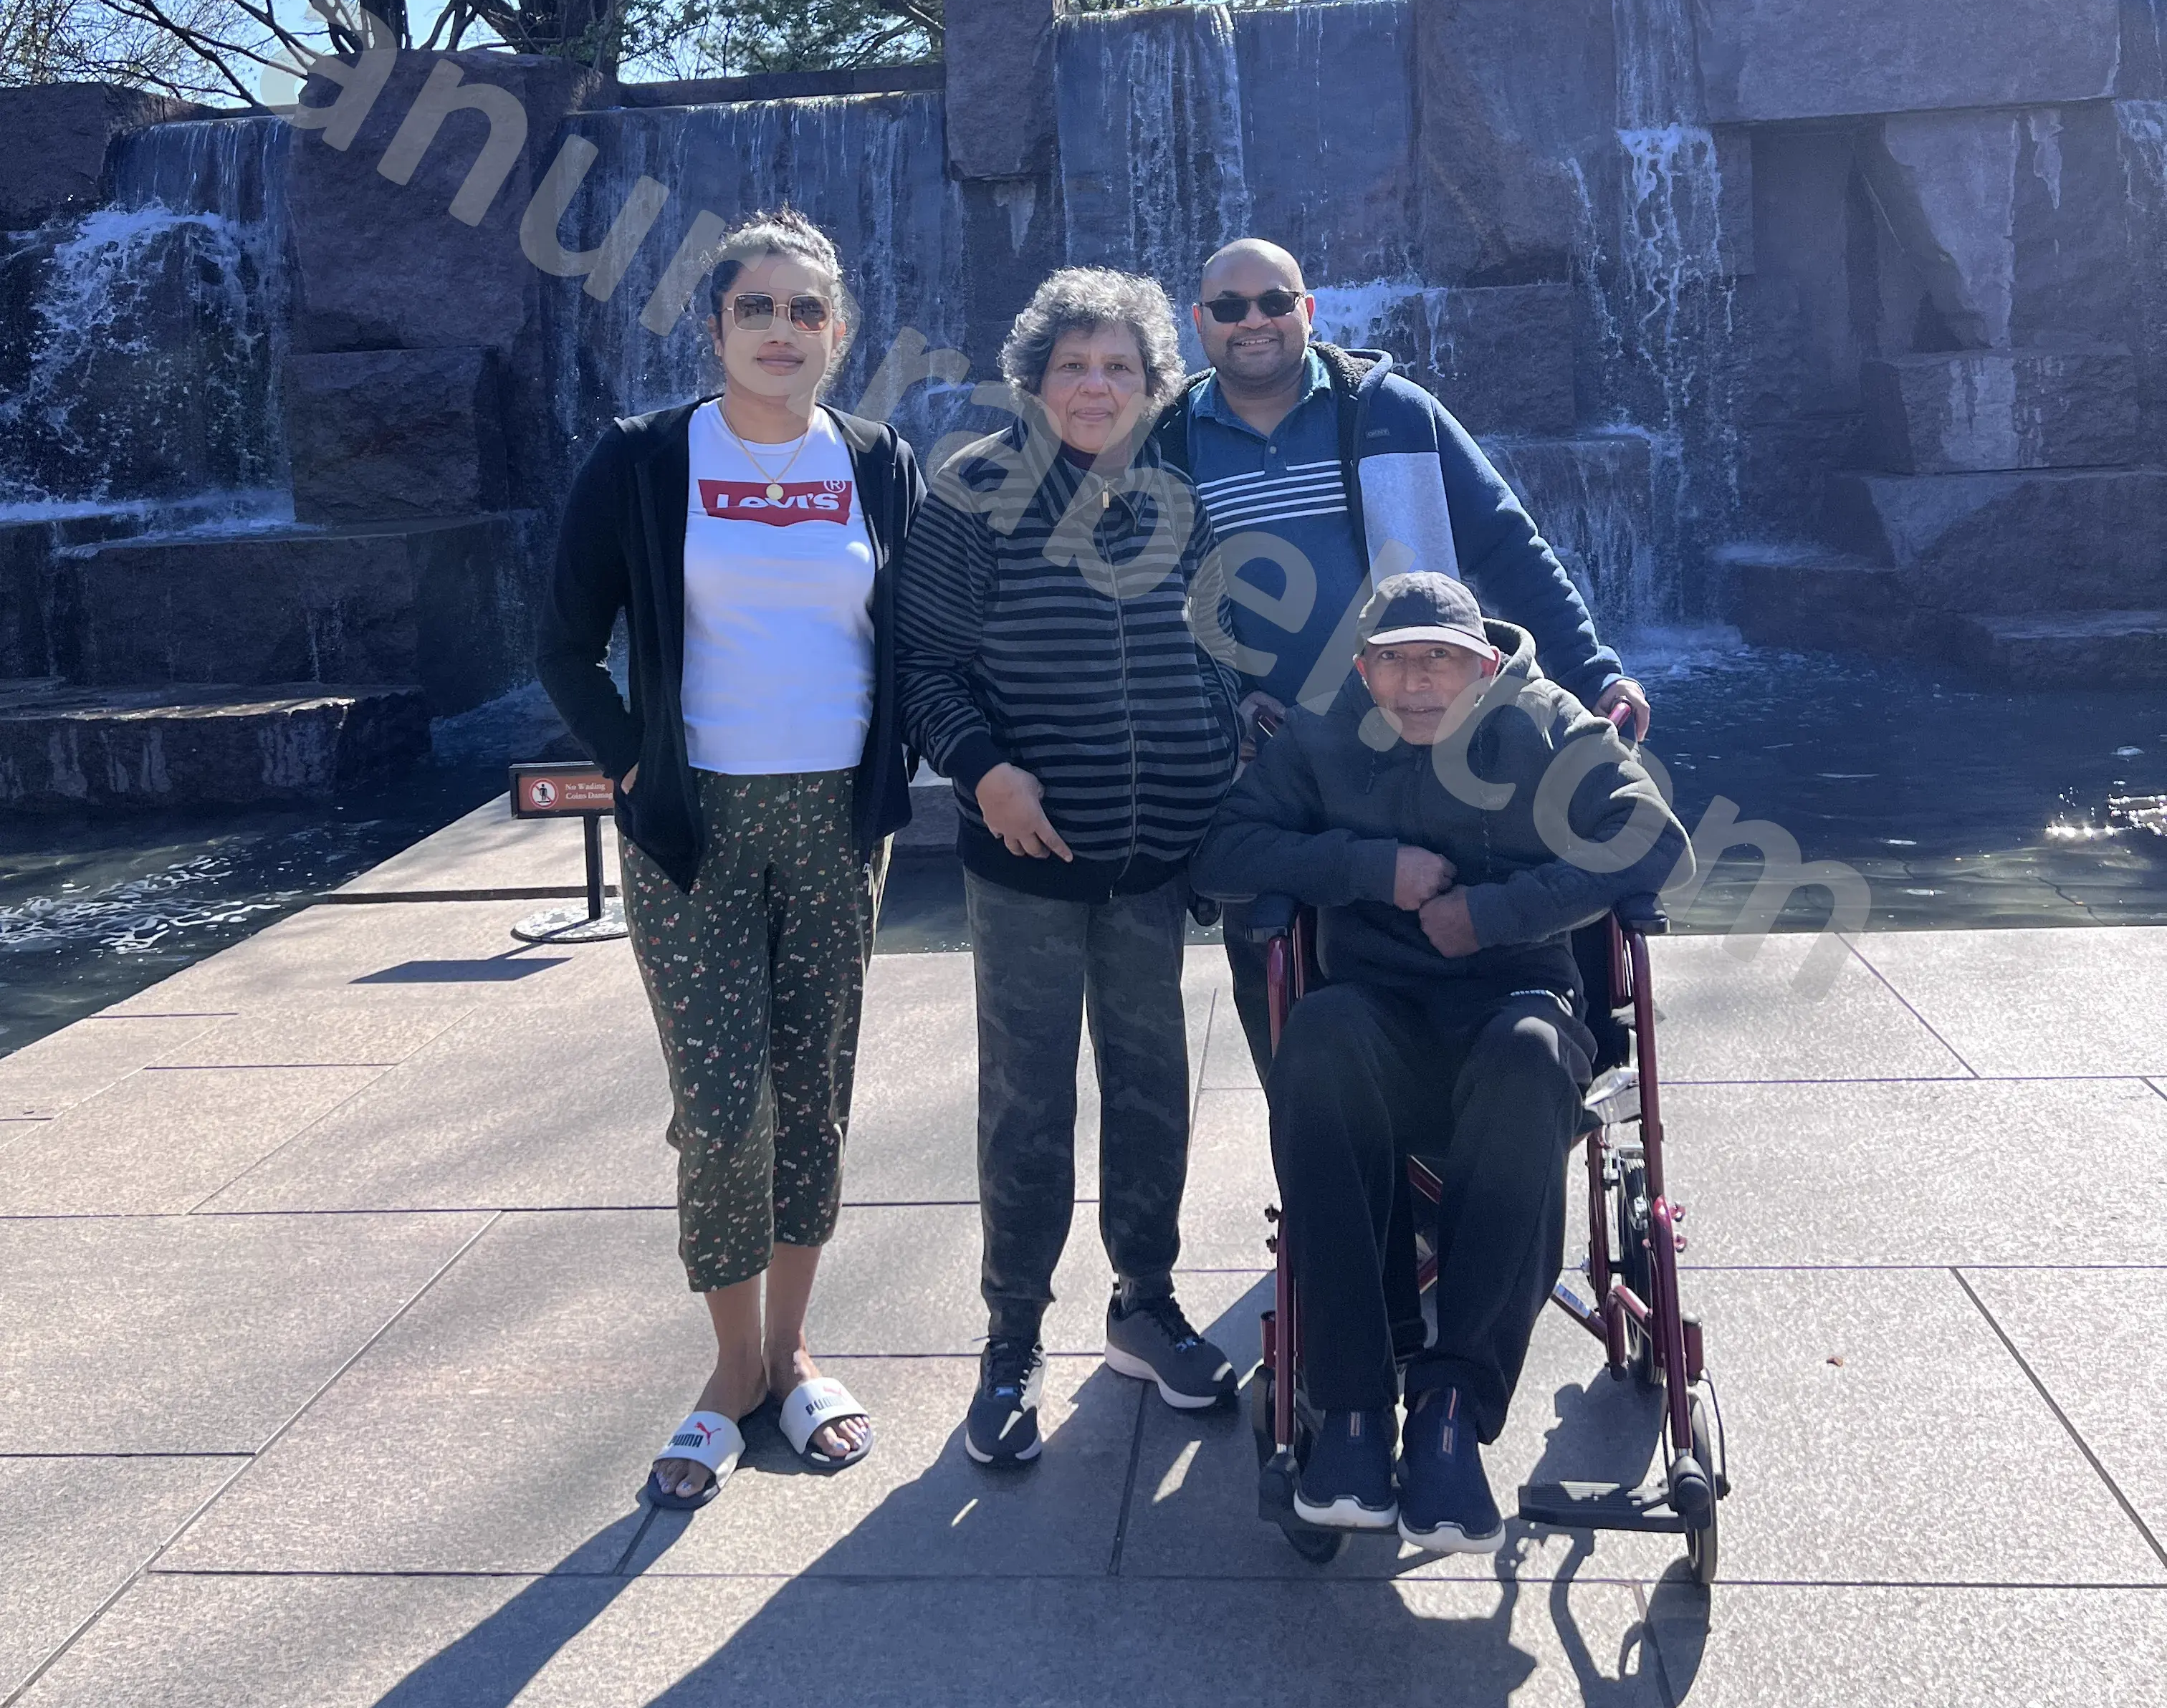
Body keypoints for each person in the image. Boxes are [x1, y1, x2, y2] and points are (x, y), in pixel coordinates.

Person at [537, 207, 922, 1507]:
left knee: (809, 1088)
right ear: (713, 328)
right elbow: (562, 647)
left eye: (804, 309)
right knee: (720, 1104)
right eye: (754, 307)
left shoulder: (877, 459)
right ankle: (730, 1368)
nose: (778, 329)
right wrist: (636, 765)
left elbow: (914, 639)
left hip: (831, 822)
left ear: (838, 333)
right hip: (690, 824)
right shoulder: (644, 459)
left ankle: (794, 1347)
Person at [1192, 570, 1690, 1553]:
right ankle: (1354, 1408)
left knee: (1531, 1054)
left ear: (1485, 663)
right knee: (1322, 1039)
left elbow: (1653, 836)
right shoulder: (1326, 734)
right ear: (1364, 668)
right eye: (1393, 661)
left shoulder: (1548, 726)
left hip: (1513, 1005)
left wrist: (1492, 915)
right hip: (1376, 1014)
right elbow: (1223, 850)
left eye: (1440, 660)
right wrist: (1367, 868)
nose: (1417, 683)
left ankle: (1452, 1412)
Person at [1149, 236, 1652, 1080]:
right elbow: (1152, 602)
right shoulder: (1168, 441)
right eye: (1229, 308)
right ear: (1199, 324)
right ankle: (1322, 1173)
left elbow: (1508, 545)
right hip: (1270, 761)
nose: (1254, 321)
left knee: (1440, 949)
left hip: (1417, 740)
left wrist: (1595, 670)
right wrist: (1221, 698)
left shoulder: (1396, 412)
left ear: (1308, 312)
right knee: (1279, 987)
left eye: (1275, 301)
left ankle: (1475, 1151)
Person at [896, 267, 1243, 1469]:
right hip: (1028, 860)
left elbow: (1213, 657)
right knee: (1027, 1102)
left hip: (1155, 864)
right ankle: (1009, 1340)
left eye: (1118, 368)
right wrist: (983, 772)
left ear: (1152, 386)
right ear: (1031, 382)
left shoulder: (1175, 496)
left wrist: (1232, 754)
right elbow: (924, 667)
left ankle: (1141, 1302)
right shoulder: (972, 492)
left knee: (1151, 1089)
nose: (1095, 386)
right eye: (1071, 366)